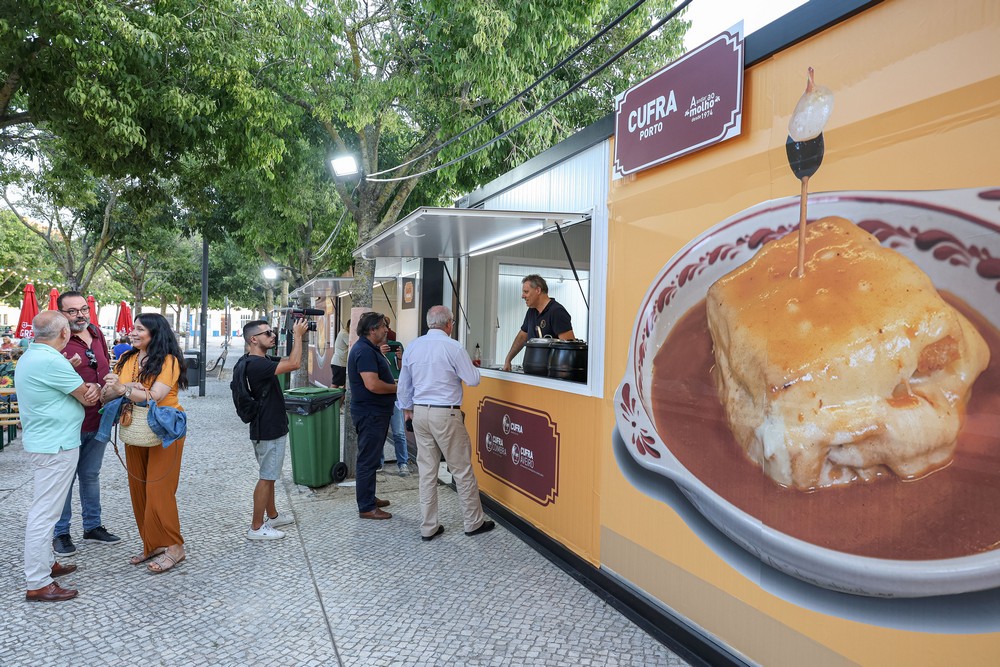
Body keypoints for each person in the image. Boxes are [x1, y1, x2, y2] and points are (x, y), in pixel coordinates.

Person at [17, 311, 101, 601]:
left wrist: (68, 369)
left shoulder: (32, 355)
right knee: (45, 514)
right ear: (64, 333)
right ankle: (38, 581)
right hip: (56, 445)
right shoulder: (52, 361)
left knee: (47, 510)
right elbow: (87, 397)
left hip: (46, 440)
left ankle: (46, 563)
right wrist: (96, 386)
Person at [396, 306, 494, 540]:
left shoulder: (413, 347)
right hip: (446, 415)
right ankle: (473, 523)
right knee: (461, 469)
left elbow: (404, 384)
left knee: (427, 472)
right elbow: (473, 380)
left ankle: (428, 527)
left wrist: (407, 410)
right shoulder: (453, 347)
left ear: (429, 323)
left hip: (420, 414)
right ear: (449, 324)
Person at [101, 313, 188, 574]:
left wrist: (125, 388)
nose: (133, 332)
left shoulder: (169, 360)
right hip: (134, 426)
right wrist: (115, 388)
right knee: (138, 489)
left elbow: (157, 395)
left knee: (159, 490)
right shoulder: (127, 358)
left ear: (155, 333)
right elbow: (110, 392)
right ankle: (153, 543)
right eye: (133, 328)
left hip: (165, 428)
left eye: (140, 329)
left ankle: (175, 546)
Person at [51, 291, 120, 557]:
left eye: (83, 309)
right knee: (64, 479)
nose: (80, 315)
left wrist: (105, 385)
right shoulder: (55, 339)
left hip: (99, 418)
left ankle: (92, 526)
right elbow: (48, 378)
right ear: (61, 314)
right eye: (72, 311)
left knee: (91, 475)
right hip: (68, 422)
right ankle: (61, 533)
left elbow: (104, 368)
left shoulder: (96, 332)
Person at [240, 317, 309, 540]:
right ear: (253, 339)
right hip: (268, 428)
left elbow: (289, 359)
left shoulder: (260, 360)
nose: (273, 336)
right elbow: (295, 364)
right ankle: (256, 527)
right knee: (267, 477)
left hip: (266, 426)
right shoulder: (257, 365)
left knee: (269, 475)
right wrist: (298, 335)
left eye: (272, 332)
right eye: (267, 333)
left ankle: (273, 515)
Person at [346, 311, 397, 520]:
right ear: (372, 329)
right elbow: (373, 385)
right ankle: (366, 507)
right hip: (370, 413)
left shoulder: (369, 348)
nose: (386, 330)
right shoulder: (364, 351)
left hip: (375, 413)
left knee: (371, 457)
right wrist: (398, 388)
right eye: (383, 326)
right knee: (367, 459)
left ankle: (369, 497)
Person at [502, 274, 576, 371]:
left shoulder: (557, 312)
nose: (522, 296)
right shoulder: (531, 311)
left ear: (538, 290)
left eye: (526, 292)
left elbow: (569, 347)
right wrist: (508, 359)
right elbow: (522, 337)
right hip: (532, 371)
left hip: (550, 374)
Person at [380, 315, 410, 477]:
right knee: (380, 431)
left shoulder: (396, 344)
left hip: (396, 389)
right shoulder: (372, 347)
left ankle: (403, 462)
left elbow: (402, 369)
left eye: (386, 326)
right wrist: (379, 353)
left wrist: (399, 357)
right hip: (380, 390)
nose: (385, 330)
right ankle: (379, 462)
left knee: (398, 431)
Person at [330, 321, 350, 388]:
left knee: (345, 383)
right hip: (339, 363)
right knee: (335, 384)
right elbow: (352, 345)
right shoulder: (344, 334)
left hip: (341, 363)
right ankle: (330, 395)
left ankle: (342, 395)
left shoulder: (343, 332)